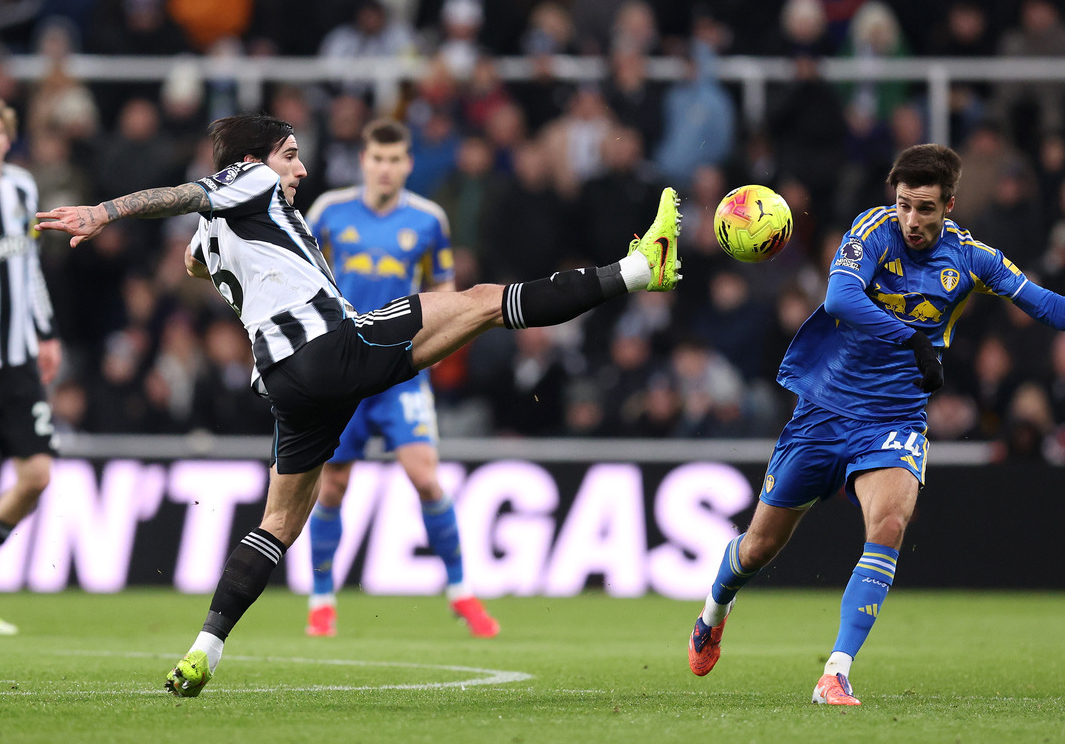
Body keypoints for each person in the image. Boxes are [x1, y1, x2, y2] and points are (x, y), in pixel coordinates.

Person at [36, 113, 682, 697]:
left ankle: (204, 649)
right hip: (333, 347)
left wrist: (222, 251)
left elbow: (193, 263)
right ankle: (637, 270)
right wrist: (106, 211)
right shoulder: (248, 180)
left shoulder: (219, 229)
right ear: (257, 160)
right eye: (291, 155)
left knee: (278, 524)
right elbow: (186, 195)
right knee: (485, 301)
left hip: (285, 386)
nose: (301, 169)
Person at [685, 144, 1065, 705]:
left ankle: (835, 671)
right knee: (758, 548)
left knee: (887, 526)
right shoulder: (872, 230)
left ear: (948, 206)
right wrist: (911, 337)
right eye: (904, 204)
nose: (911, 220)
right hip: (825, 410)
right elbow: (839, 297)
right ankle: (714, 611)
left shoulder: (974, 258)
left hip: (895, 416)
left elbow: (1043, 305)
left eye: (925, 208)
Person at [302, 118, 497, 639]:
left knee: (426, 477)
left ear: (407, 164)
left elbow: (446, 292)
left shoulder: (429, 220)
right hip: (344, 369)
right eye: (377, 159)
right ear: (364, 161)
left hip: (400, 371)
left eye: (395, 160)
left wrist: (433, 352)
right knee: (333, 487)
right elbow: (307, 280)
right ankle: (322, 601)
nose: (386, 169)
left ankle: (460, 592)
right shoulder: (327, 213)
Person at [0, 94, 62, 635]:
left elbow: (30, 267)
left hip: (17, 357)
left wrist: (46, 332)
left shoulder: (23, 189)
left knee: (35, 475)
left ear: (8, 139)